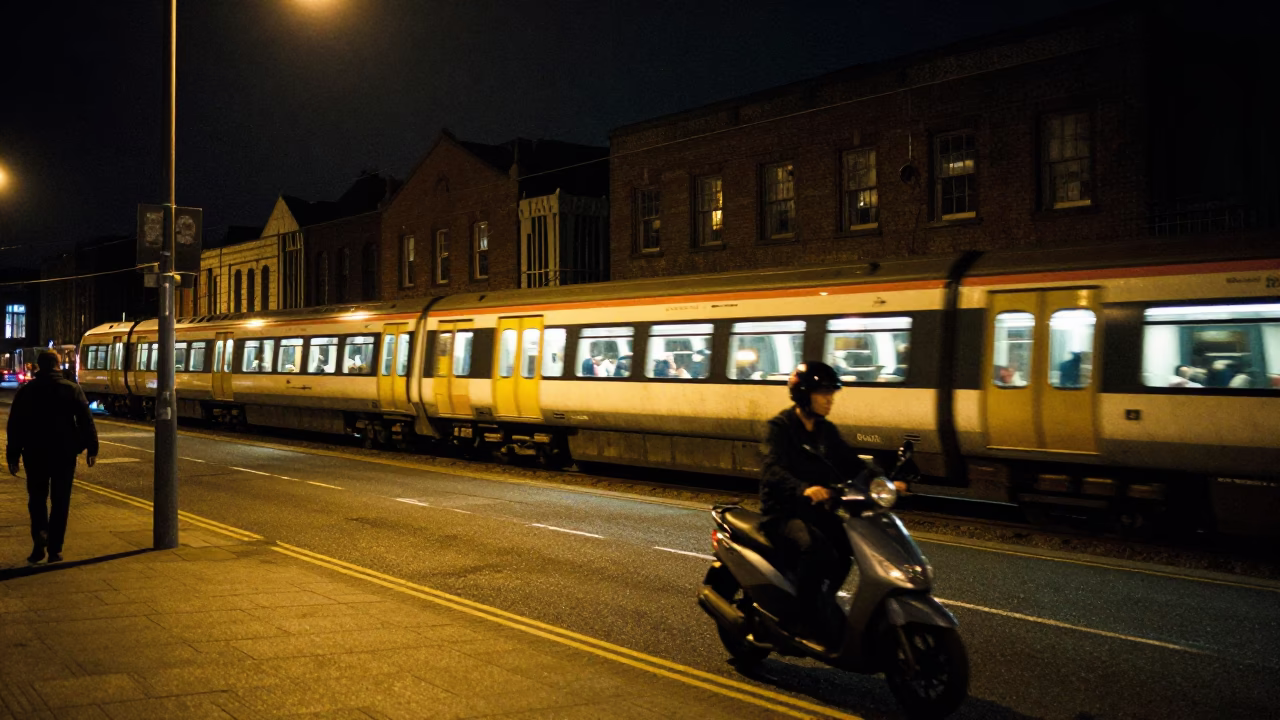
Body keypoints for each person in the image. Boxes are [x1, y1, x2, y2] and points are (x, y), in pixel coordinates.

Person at [760, 360, 870, 648]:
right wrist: (804, 488)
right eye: (822, 393)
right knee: (814, 548)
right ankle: (802, 619)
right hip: (783, 513)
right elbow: (772, 470)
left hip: (816, 512)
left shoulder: (826, 431)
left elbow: (852, 464)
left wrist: (884, 481)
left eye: (831, 393)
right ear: (804, 395)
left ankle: (821, 600)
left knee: (848, 546)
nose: (829, 399)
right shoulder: (781, 428)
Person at [6, 351, 99, 564]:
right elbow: (86, 421)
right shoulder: (72, 389)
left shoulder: (26, 391)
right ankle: (55, 549)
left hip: (34, 453)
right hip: (64, 454)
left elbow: (15, 426)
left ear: (38, 366)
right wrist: (91, 449)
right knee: (60, 501)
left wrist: (13, 455)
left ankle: (40, 538)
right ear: (58, 365)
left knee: (37, 498)